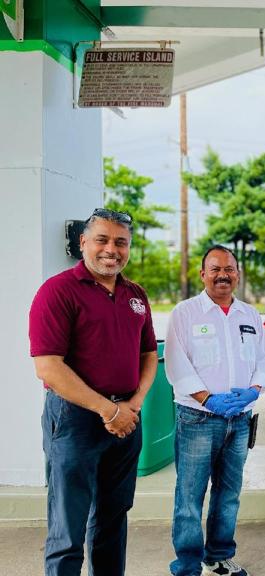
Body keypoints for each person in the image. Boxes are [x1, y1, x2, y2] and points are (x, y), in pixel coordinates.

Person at [29, 208, 158, 576]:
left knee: (112, 520)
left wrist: (133, 404)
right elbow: (48, 366)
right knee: (67, 527)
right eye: (102, 240)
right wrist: (107, 410)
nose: (111, 250)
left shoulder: (135, 295)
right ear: (83, 242)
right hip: (74, 421)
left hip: (126, 420)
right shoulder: (58, 291)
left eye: (121, 242)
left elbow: (149, 354)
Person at [165, 245, 265, 576]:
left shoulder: (250, 315)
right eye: (215, 269)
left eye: (229, 269)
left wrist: (252, 392)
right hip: (198, 418)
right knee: (189, 497)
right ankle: (187, 564)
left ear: (238, 275)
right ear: (202, 274)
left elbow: (261, 362)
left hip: (239, 420)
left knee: (228, 495)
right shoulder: (185, 313)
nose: (223, 275)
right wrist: (207, 398)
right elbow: (175, 363)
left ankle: (219, 555)